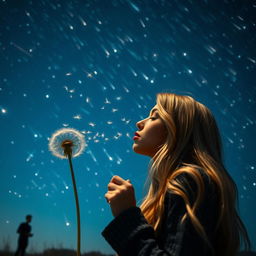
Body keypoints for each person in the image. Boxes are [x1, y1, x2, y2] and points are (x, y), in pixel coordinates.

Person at [102, 93, 251, 256]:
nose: (139, 123)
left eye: (154, 117)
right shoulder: (183, 184)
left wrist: (127, 216)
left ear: (178, 130)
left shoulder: (190, 181)